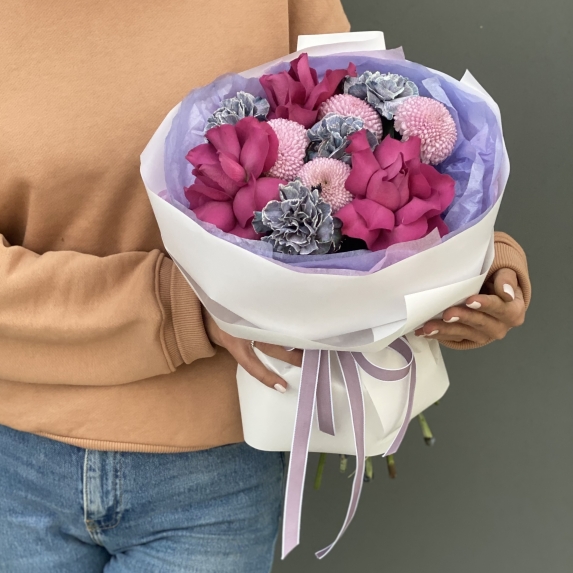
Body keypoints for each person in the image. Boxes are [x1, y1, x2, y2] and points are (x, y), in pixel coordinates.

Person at [0, 1, 530, 571]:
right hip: (16, 465)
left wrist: (472, 265)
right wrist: (183, 305)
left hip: (217, 472)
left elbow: (370, 134)